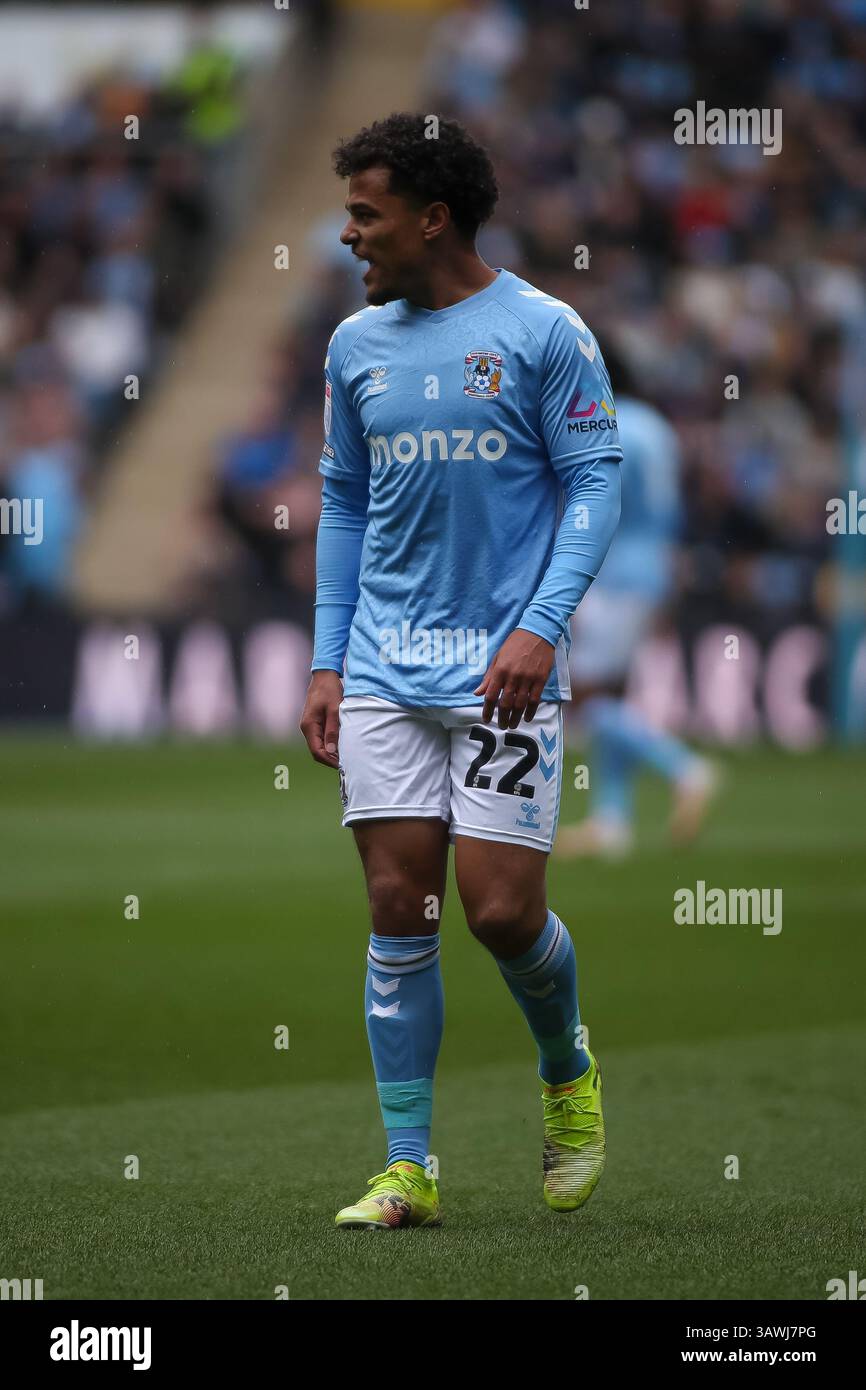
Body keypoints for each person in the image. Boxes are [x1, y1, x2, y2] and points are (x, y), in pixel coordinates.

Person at [299, 113, 622, 1229]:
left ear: (430, 218)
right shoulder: (354, 346)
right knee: (398, 904)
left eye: (363, 213)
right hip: (385, 664)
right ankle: (407, 1166)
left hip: (501, 671)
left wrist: (539, 626)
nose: (347, 235)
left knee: (495, 912)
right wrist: (326, 658)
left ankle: (565, 1069)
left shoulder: (544, 331)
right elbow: (343, 501)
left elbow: (594, 483)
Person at [556, 347, 717, 859]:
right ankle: (612, 821)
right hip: (653, 567)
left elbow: (599, 504)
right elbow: (670, 511)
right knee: (612, 696)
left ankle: (685, 769)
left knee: (584, 696)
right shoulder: (659, 428)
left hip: (614, 573)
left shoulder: (604, 423)